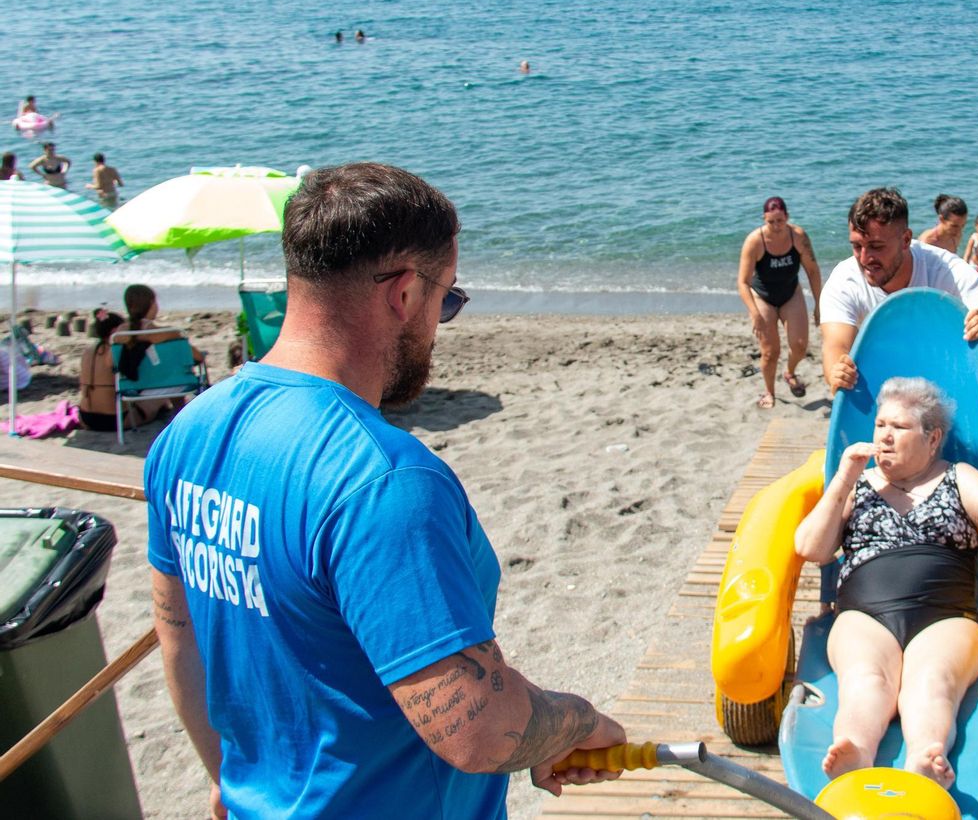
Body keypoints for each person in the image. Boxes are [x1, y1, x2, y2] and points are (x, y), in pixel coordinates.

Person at [146, 163, 625, 818]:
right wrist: (577, 722)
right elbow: (478, 731)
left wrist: (227, 778)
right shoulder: (385, 481)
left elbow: (180, 641)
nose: (440, 323)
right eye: (447, 300)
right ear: (404, 293)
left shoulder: (189, 434)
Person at [793, 378, 978, 787]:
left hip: (946, 617)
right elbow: (811, 548)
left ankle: (926, 756)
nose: (884, 437)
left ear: (933, 438)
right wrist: (842, 480)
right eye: (880, 425)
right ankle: (855, 748)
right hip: (863, 616)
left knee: (932, 681)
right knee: (865, 679)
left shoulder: (959, 478)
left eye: (899, 427)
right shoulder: (857, 483)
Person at [820, 188, 978, 395]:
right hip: (878, 381)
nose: (865, 258)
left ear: (906, 239)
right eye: (857, 246)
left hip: (941, 375)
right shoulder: (844, 281)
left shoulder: (950, 271)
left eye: (876, 246)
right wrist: (838, 371)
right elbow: (835, 345)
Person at [737, 196, 824, 409]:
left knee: (800, 346)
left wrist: (818, 304)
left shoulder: (798, 237)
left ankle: (789, 372)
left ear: (787, 217)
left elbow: (813, 271)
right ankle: (769, 392)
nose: (776, 226)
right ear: (764, 219)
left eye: (780, 221)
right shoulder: (754, 241)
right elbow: (743, 282)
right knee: (770, 352)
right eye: (771, 222)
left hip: (790, 293)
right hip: (762, 297)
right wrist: (755, 314)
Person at [77, 310, 160, 433]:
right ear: (115, 331)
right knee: (160, 400)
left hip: (85, 417)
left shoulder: (88, 350)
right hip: (115, 419)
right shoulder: (116, 351)